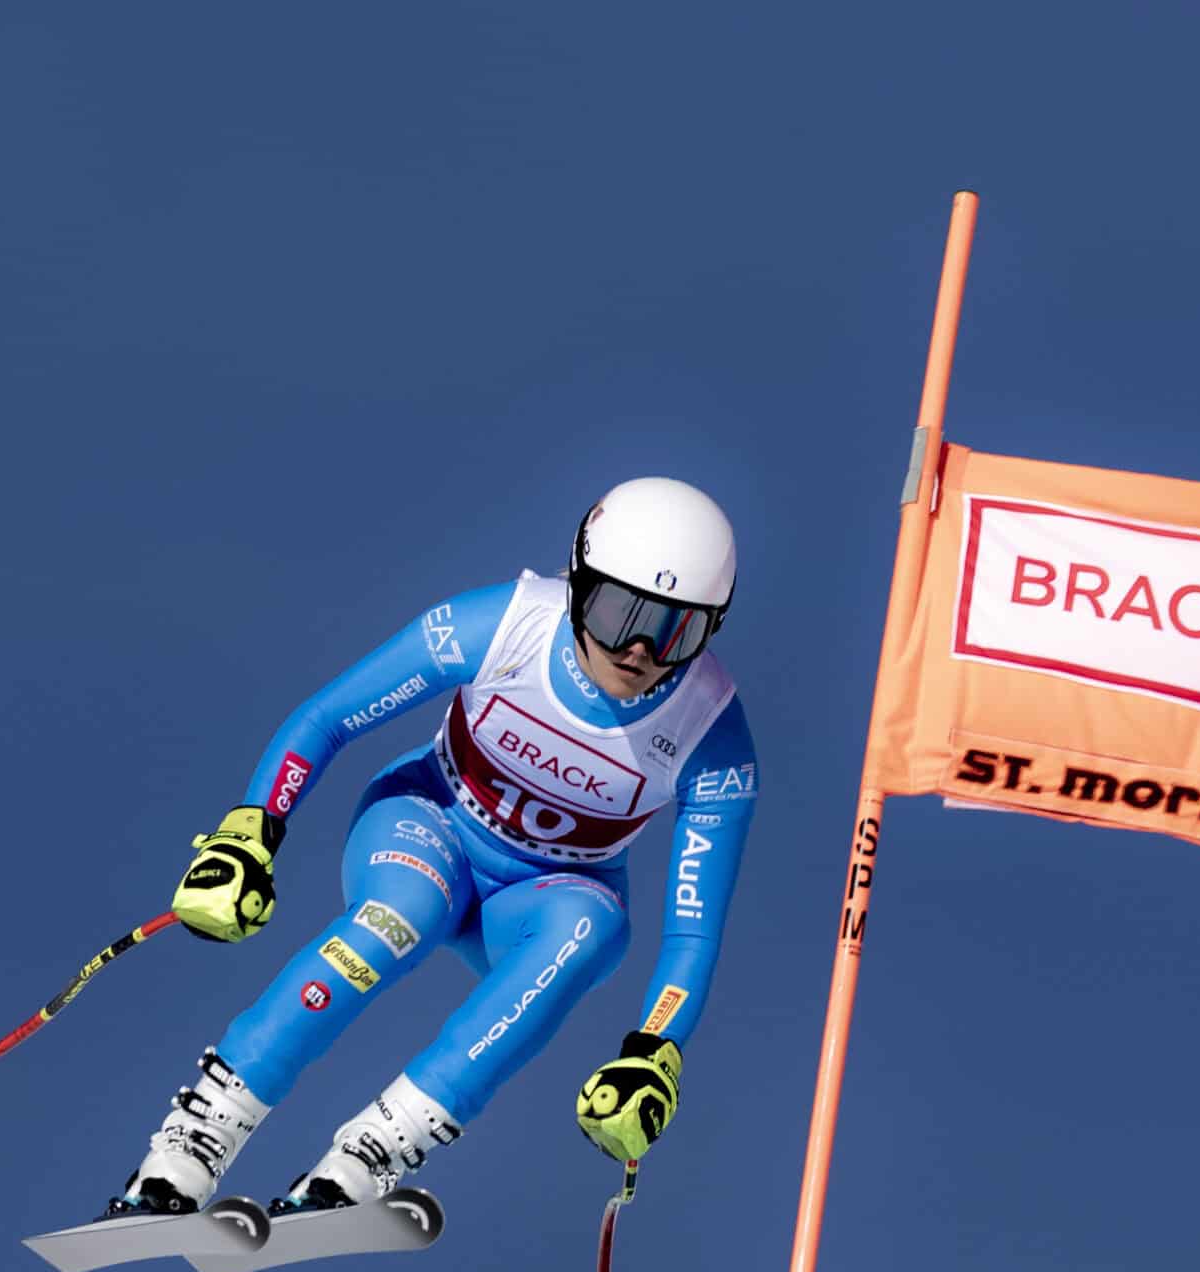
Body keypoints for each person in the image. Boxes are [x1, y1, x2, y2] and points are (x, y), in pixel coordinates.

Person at [105, 477, 760, 1218]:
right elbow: (327, 719)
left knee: (594, 930)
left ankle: (376, 1149)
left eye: (676, 630)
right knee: (405, 911)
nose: (639, 648)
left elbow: (694, 929)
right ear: (577, 583)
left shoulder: (711, 737)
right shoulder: (504, 625)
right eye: (617, 612)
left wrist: (653, 1049)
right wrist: (253, 830)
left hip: (540, 899)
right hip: (428, 826)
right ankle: (195, 1138)